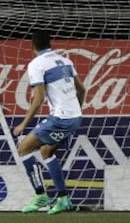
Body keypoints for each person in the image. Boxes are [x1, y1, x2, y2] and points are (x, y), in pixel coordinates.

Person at [13, 30, 85, 215]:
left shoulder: (37, 64)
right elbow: (82, 90)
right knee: (46, 151)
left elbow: (38, 100)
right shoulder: (66, 60)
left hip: (61, 118)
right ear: (49, 43)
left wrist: (23, 124)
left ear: (32, 46)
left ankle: (40, 195)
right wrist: (76, 111)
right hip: (74, 117)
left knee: (23, 148)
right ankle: (62, 199)